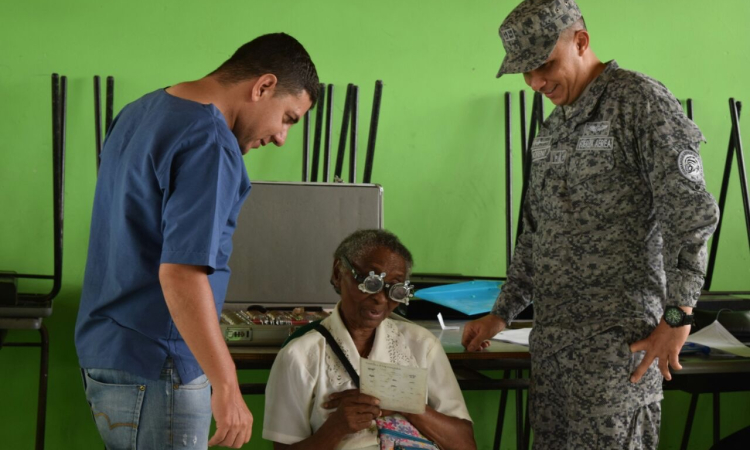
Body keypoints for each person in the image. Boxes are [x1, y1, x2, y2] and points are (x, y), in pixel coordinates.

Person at [462, 1, 719, 448]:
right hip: (554, 361)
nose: (536, 82)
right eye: (525, 71)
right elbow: (536, 234)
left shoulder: (640, 104)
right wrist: (501, 313)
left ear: (580, 42)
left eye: (544, 64)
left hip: (616, 362)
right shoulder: (552, 129)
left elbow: (692, 217)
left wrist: (678, 315)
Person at [75, 33, 318, 449]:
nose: (281, 137)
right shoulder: (208, 140)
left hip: (108, 350)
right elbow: (182, 274)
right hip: (160, 360)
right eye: (289, 117)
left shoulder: (140, 111)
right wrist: (227, 385)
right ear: (263, 86)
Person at [263, 229, 476, 450]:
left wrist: (404, 404)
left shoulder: (422, 345)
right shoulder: (300, 356)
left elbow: (465, 444)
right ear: (338, 273)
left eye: (395, 290)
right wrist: (336, 428)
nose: (380, 299)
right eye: (371, 283)